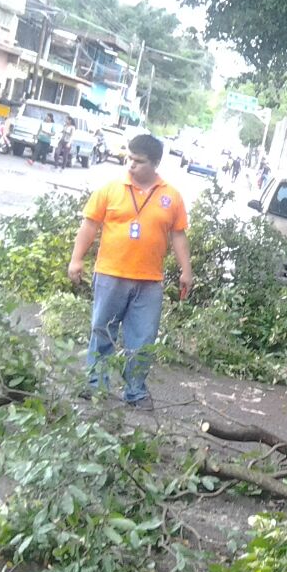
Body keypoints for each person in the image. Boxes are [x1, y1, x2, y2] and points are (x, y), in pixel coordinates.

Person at [67, 134, 194, 410]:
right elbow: (89, 226)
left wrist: (187, 271)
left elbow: (179, 236)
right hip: (111, 274)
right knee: (103, 331)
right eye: (129, 159)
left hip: (149, 282)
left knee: (143, 339)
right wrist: (76, 260)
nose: (131, 165)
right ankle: (95, 386)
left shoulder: (171, 197)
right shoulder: (110, 190)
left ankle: (135, 392)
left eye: (139, 161)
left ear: (156, 163)